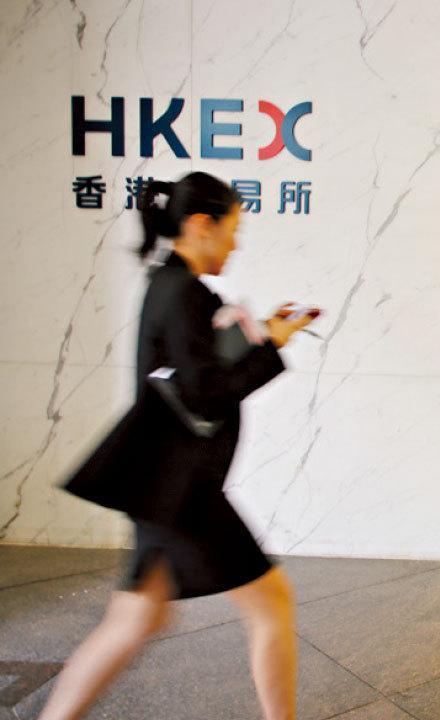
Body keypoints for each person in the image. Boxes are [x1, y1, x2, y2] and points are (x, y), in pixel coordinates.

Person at [44, 172, 316, 720]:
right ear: (200, 225)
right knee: (271, 604)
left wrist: (263, 334)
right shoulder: (182, 292)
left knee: (136, 619)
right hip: (181, 488)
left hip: (160, 483)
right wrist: (271, 349)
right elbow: (204, 394)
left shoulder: (168, 284)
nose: (235, 245)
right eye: (232, 231)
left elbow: (191, 370)